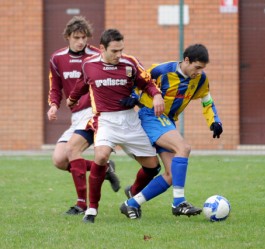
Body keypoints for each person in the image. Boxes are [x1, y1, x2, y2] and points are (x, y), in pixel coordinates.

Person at [67, 28, 165, 223]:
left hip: (130, 120)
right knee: (101, 155)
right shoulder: (89, 65)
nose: (119, 55)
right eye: (114, 51)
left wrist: (156, 95)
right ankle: (92, 209)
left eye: (121, 50)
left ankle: (134, 192)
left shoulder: (130, 63)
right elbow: (81, 84)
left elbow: (147, 82)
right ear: (102, 48)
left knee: (153, 167)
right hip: (105, 120)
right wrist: (72, 99)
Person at [120, 44, 223, 219]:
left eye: (202, 68)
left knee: (171, 175)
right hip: (150, 115)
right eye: (197, 67)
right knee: (184, 148)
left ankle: (131, 204)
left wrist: (214, 121)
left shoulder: (200, 79)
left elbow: (206, 99)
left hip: (167, 122)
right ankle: (178, 202)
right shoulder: (161, 71)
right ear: (187, 60)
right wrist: (133, 98)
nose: (199, 72)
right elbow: (138, 83)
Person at [47, 16, 120, 215]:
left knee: (72, 150)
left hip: (94, 112)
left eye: (84, 37)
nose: (81, 42)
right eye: (76, 37)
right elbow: (55, 87)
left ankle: (81, 204)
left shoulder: (97, 55)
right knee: (60, 160)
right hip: (76, 115)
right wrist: (54, 105)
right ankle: (104, 169)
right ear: (68, 37)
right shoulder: (57, 58)